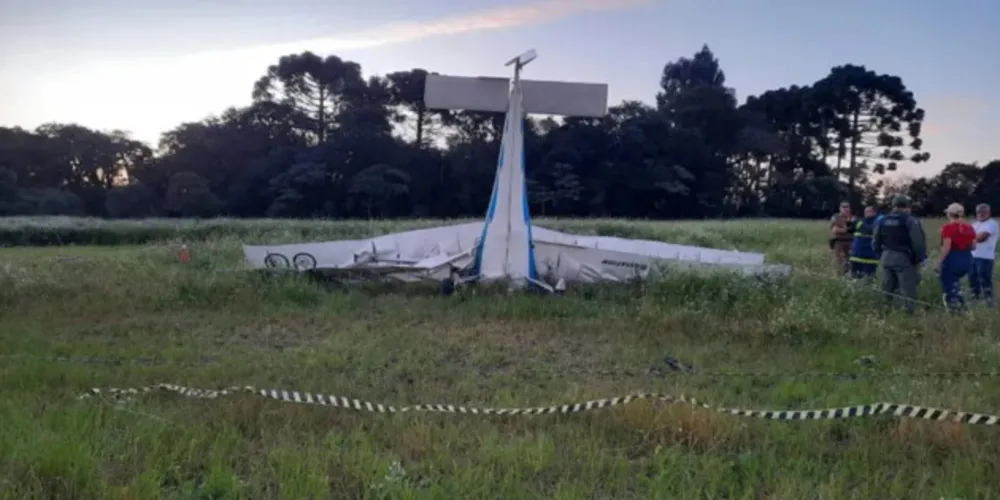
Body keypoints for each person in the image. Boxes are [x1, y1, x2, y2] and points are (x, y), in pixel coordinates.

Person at [872, 195, 927, 315]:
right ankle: (908, 315)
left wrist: (880, 255)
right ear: (907, 207)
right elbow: (917, 242)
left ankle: (886, 311)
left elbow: (875, 241)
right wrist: (920, 258)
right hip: (903, 258)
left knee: (888, 288)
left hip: (886, 257)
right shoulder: (910, 220)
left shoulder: (882, 220)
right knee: (908, 289)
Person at [936, 203, 977, 312]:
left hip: (953, 259)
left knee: (949, 287)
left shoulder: (947, 228)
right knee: (957, 286)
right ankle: (963, 308)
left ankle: (954, 311)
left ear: (949, 214)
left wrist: (939, 262)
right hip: (967, 259)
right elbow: (973, 246)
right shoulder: (969, 227)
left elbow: (947, 247)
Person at [971, 203, 997, 307]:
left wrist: (971, 238)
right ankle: (975, 303)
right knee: (973, 281)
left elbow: (982, 238)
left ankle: (990, 304)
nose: (981, 213)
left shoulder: (992, 224)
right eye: (979, 211)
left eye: (983, 211)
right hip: (972, 256)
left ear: (988, 213)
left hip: (985, 258)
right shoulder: (975, 224)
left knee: (985, 281)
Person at [848, 205, 880, 279]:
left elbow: (869, 230)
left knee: (869, 279)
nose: (866, 213)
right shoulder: (862, 221)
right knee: (854, 278)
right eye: (865, 211)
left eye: (868, 211)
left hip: (870, 256)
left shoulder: (878, 221)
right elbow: (850, 230)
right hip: (856, 255)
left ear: (874, 212)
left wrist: (857, 223)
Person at [829, 201, 855, 275]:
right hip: (838, 241)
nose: (846, 209)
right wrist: (845, 229)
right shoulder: (836, 217)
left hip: (850, 241)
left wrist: (844, 229)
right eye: (844, 207)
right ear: (840, 208)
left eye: (847, 207)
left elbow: (854, 229)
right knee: (838, 260)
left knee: (850, 259)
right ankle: (839, 274)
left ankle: (849, 274)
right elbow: (835, 230)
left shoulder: (852, 217)